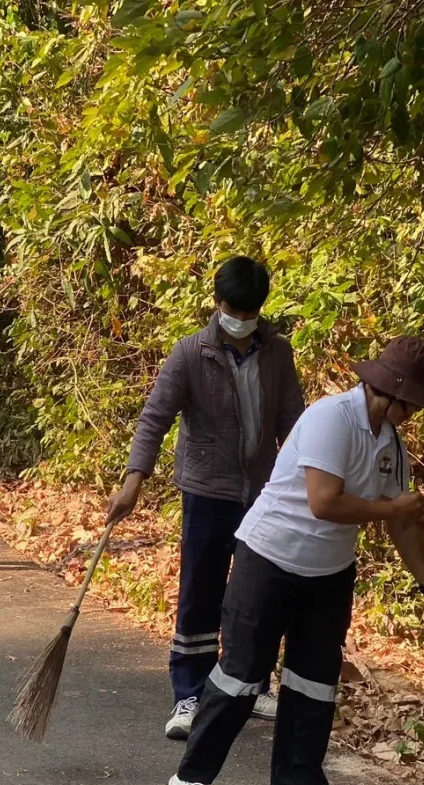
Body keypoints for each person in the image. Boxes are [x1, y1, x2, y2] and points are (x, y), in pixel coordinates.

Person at [163, 336, 424, 785]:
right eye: (415, 402)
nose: (417, 413)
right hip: (269, 559)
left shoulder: (391, 444)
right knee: (240, 677)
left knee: (314, 683)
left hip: (328, 575)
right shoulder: (332, 418)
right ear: (391, 392)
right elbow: (325, 502)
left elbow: (404, 526)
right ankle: (189, 778)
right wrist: (392, 509)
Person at [106, 257, 306, 739]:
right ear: (219, 304)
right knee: (201, 590)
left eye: (251, 309)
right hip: (206, 492)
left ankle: (252, 684)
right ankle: (189, 693)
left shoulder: (277, 353)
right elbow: (155, 418)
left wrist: (302, 482)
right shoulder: (190, 353)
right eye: (235, 308)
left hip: (262, 495)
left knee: (257, 594)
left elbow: (294, 422)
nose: (242, 318)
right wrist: (134, 479)